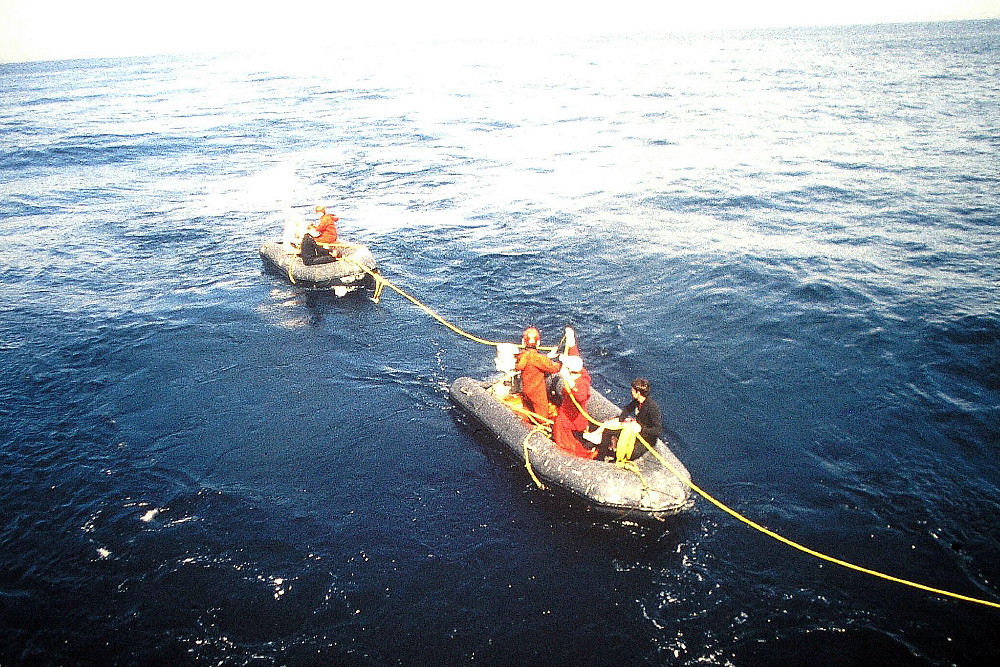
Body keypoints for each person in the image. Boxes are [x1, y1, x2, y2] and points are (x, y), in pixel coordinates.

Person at [584, 378, 662, 462]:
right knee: (607, 430)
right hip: (634, 429)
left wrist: (642, 429)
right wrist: (620, 419)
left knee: (632, 453)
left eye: (633, 390)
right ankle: (601, 455)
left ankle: (617, 458)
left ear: (638, 393)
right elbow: (628, 409)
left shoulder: (652, 408)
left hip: (646, 438)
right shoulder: (637, 401)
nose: (631, 392)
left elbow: (657, 430)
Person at [551, 328, 598, 459]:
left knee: (567, 445)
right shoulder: (582, 372)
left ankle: (587, 454)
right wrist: (571, 339)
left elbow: (580, 396)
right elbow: (574, 355)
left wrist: (568, 380)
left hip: (571, 420)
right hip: (568, 416)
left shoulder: (580, 383)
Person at [515, 326, 562, 420]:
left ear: (523, 342)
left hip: (526, 391)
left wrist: (548, 357)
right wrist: (559, 361)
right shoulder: (538, 358)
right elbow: (554, 368)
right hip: (537, 393)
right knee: (543, 417)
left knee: (528, 409)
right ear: (539, 343)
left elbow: (525, 362)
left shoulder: (522, 356)